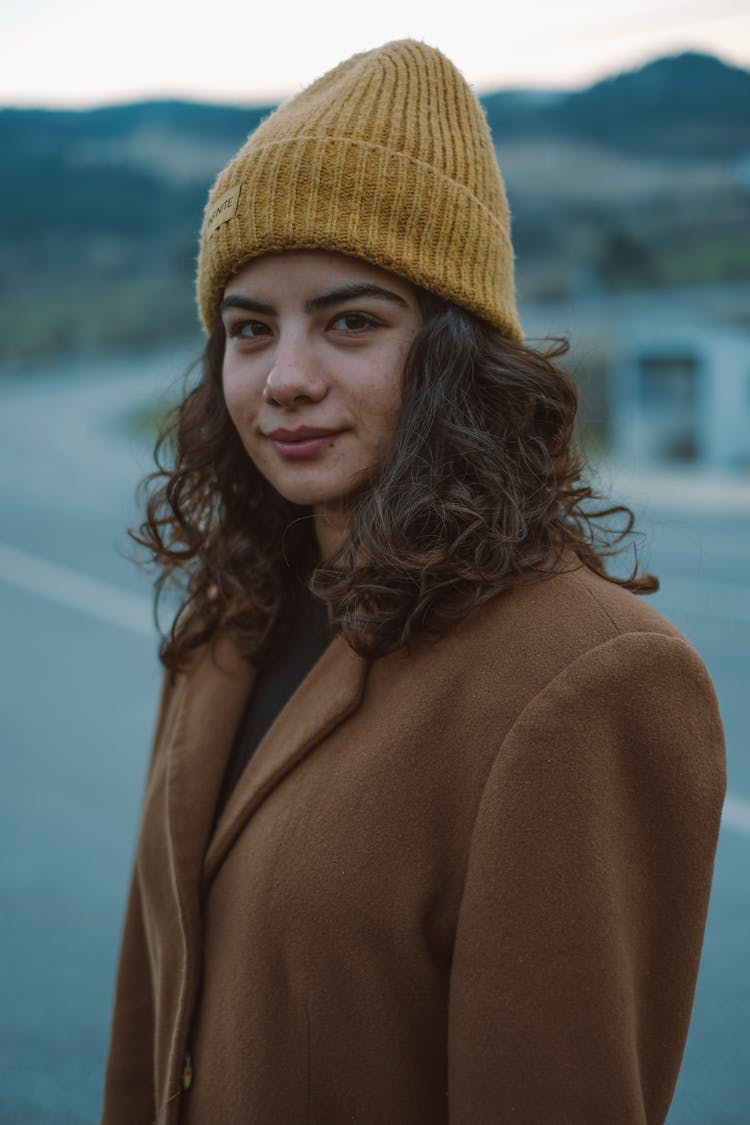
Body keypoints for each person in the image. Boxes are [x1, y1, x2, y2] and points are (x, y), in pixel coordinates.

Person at [101, 40, 726, 1125]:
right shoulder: (229, 621)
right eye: (250, 328)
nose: (286, 379)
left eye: (350, 321)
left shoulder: (584, 677)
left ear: (455, 353)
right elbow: (153, 1030)